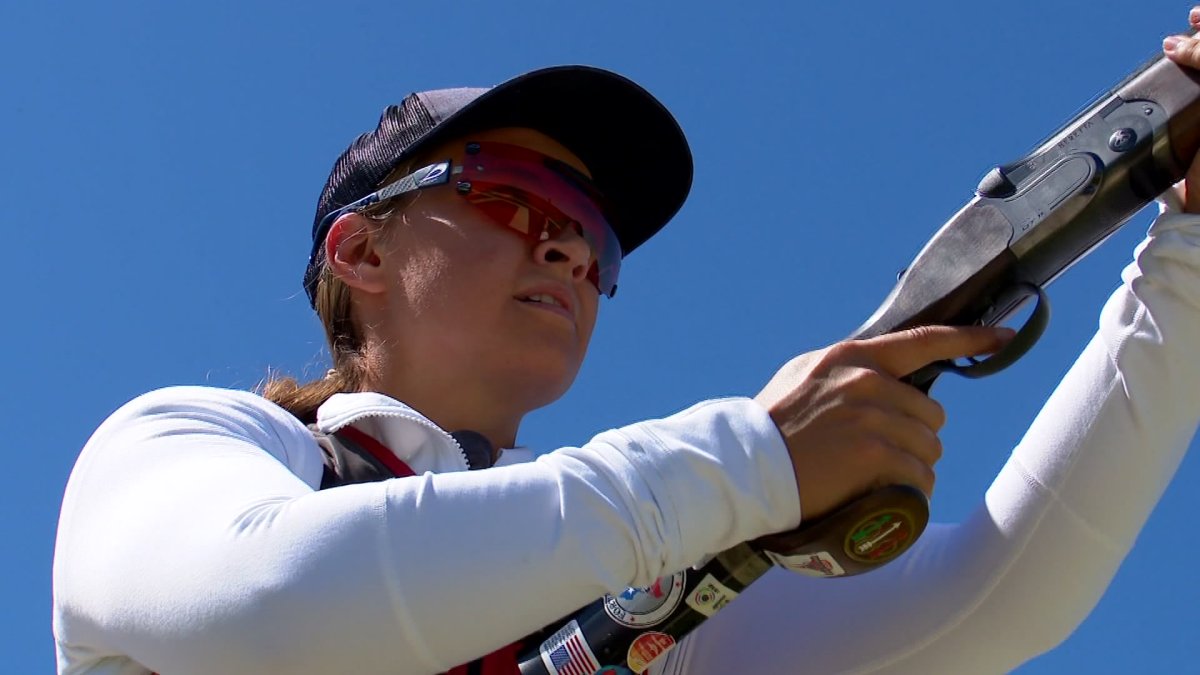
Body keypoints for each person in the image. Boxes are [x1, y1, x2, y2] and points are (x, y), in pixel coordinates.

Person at [51, 13, 1200, 674]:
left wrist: (1189, 249)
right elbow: (266, 597)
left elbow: (995, 601)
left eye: (590, 232)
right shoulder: (180, 444)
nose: (565, 249)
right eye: (512, 198)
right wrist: (755, 458)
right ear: (359, 254)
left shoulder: (621, 590)